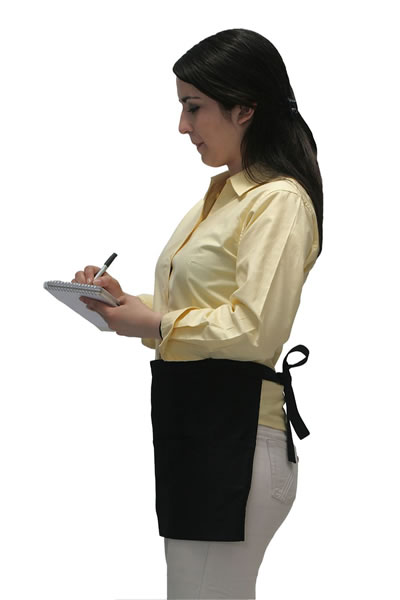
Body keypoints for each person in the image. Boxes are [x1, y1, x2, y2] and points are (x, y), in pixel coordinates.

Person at [73, 27, 323, 600]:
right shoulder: (217, 200)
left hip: (233, 438)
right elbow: (201, 311)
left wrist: (157, 324)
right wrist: (128, 305)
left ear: (244, 109)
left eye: (194, 107)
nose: (183, 126)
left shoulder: (278, 201)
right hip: (198, 429)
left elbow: (255, 329)